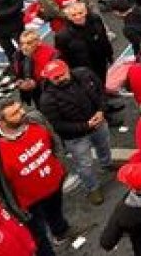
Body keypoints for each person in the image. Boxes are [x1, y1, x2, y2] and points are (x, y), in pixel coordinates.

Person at [0, 97, 76, 256]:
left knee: (56, 212)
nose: (23, 113)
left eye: (20, 108)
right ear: (0, 123)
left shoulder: (36, 119)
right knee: (38, 235)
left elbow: (54, 140)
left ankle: (61, 232)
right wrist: (11, 211)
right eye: (15, 113)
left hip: (54, 185)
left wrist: (61, 167)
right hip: (27, 204)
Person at [37, 59, 112, 206]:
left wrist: (101, 110)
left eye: (62, 74)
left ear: (68, 69)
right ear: (48, 78)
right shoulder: (46, 100)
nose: (60, 78)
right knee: (84, 164)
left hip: (98, 122)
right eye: (55, 77)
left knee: (104, 145)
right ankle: (93, 188)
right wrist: (85, 126)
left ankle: (107, 163)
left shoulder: (85, 74)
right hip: (76, 137)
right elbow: (57, 125)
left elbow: (101, 91)